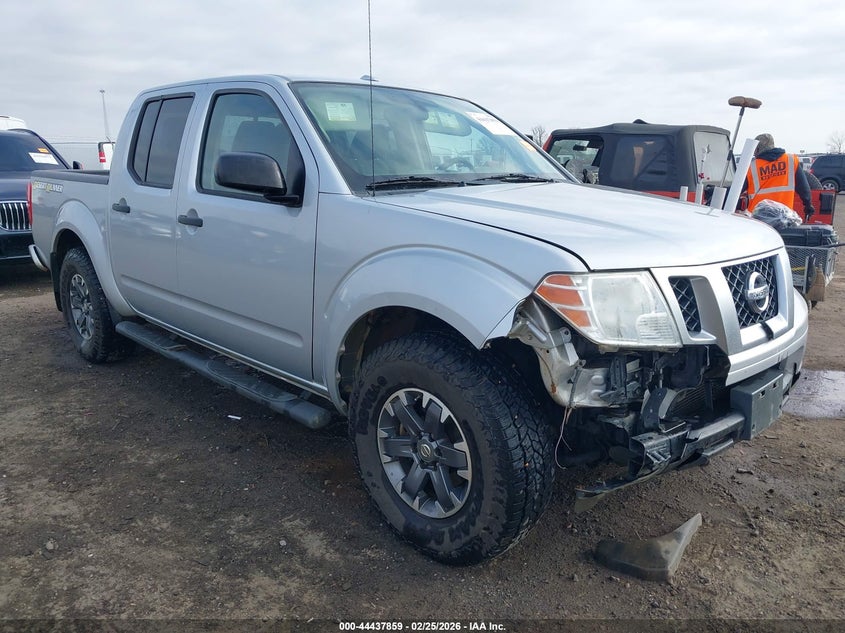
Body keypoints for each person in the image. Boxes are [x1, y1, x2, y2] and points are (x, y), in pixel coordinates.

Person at [744, 133, 815, 219]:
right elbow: (803, 187)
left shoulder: (752, 167)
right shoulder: (790, 160)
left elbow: (737, 189)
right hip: (784, 216)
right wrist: (808, 204)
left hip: (758, 217)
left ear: (757, 149)